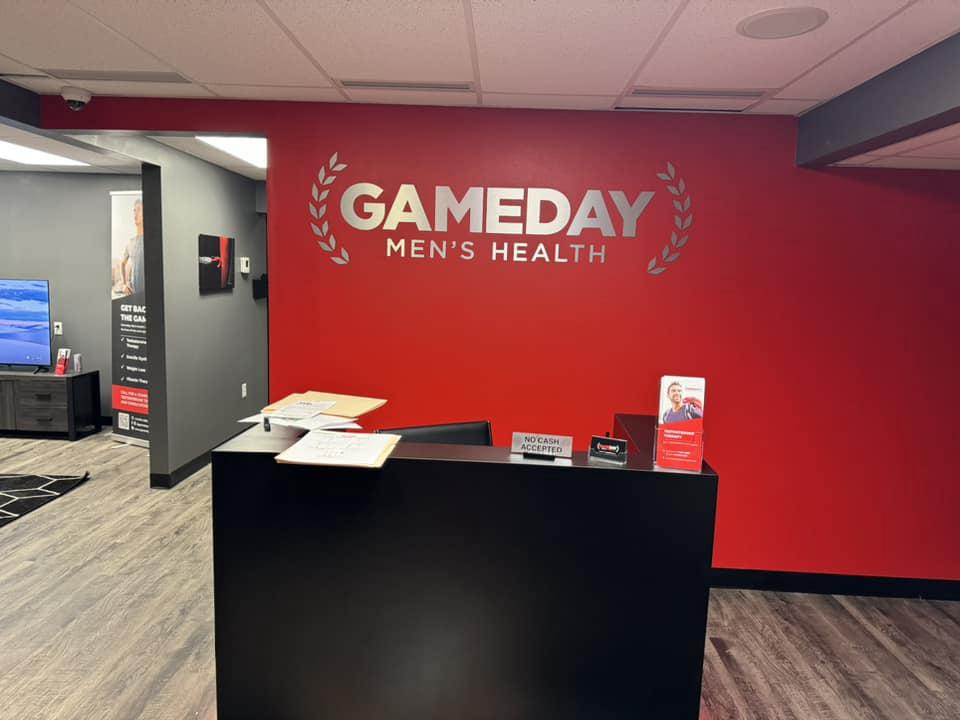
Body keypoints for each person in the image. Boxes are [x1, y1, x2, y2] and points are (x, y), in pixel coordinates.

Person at [121, 199, 145, 296]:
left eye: (139, 209)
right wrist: (124, 284)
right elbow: (122, 263)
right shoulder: (130, 242)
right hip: (134, 297)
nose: (135, 213)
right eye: (134, 210)